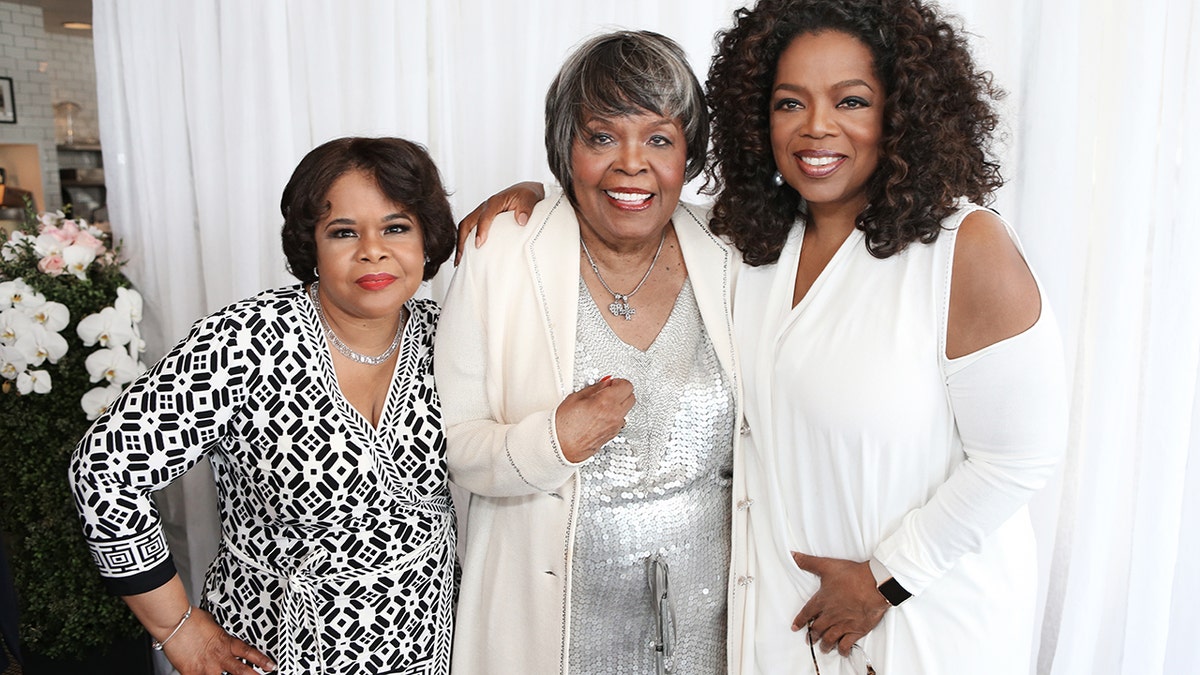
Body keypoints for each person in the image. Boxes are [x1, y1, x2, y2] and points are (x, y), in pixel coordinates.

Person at [460, 1, 1067, 672]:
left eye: (852, 100)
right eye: (788, 103)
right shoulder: (752, 247)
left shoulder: (965, 246)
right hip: (783, 630)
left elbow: (1020, 459)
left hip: (924, 619)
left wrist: (887, 578)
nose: (816, 127)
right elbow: (629, 201)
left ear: (904, 109)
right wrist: (538, 202)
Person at [69, 136, 458, 675]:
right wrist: (175, 628)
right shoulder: (246, 342)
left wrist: (526, 196)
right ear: (311, 246)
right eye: (343, 231)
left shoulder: (453, 340)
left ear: (427, 238)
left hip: (428, 650)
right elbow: (104, 470)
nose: (373, 250)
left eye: (396, 227)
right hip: (271, 651)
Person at [435, 31, 742, 675]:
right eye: (602, 137)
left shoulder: (736, 254)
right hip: (549, 637)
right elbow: (455, 446)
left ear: (689, 153)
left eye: (659, 138)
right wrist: (555, 441)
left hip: (711, 636)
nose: (632, 164)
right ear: (565, 149)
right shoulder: (502, 255)